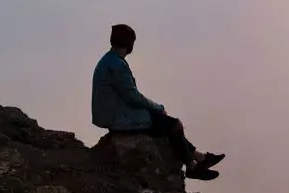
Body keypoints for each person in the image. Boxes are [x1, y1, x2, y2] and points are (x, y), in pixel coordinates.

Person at [92, 23, 225, 180]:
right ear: (130, 44)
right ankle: (192, 166)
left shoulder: (108, 60)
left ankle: (199, 157)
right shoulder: (117, 65)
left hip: (116, 115)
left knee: (168, 123)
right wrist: (158, 107)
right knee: (174, 124)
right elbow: (133, 96)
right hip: (120, 120)